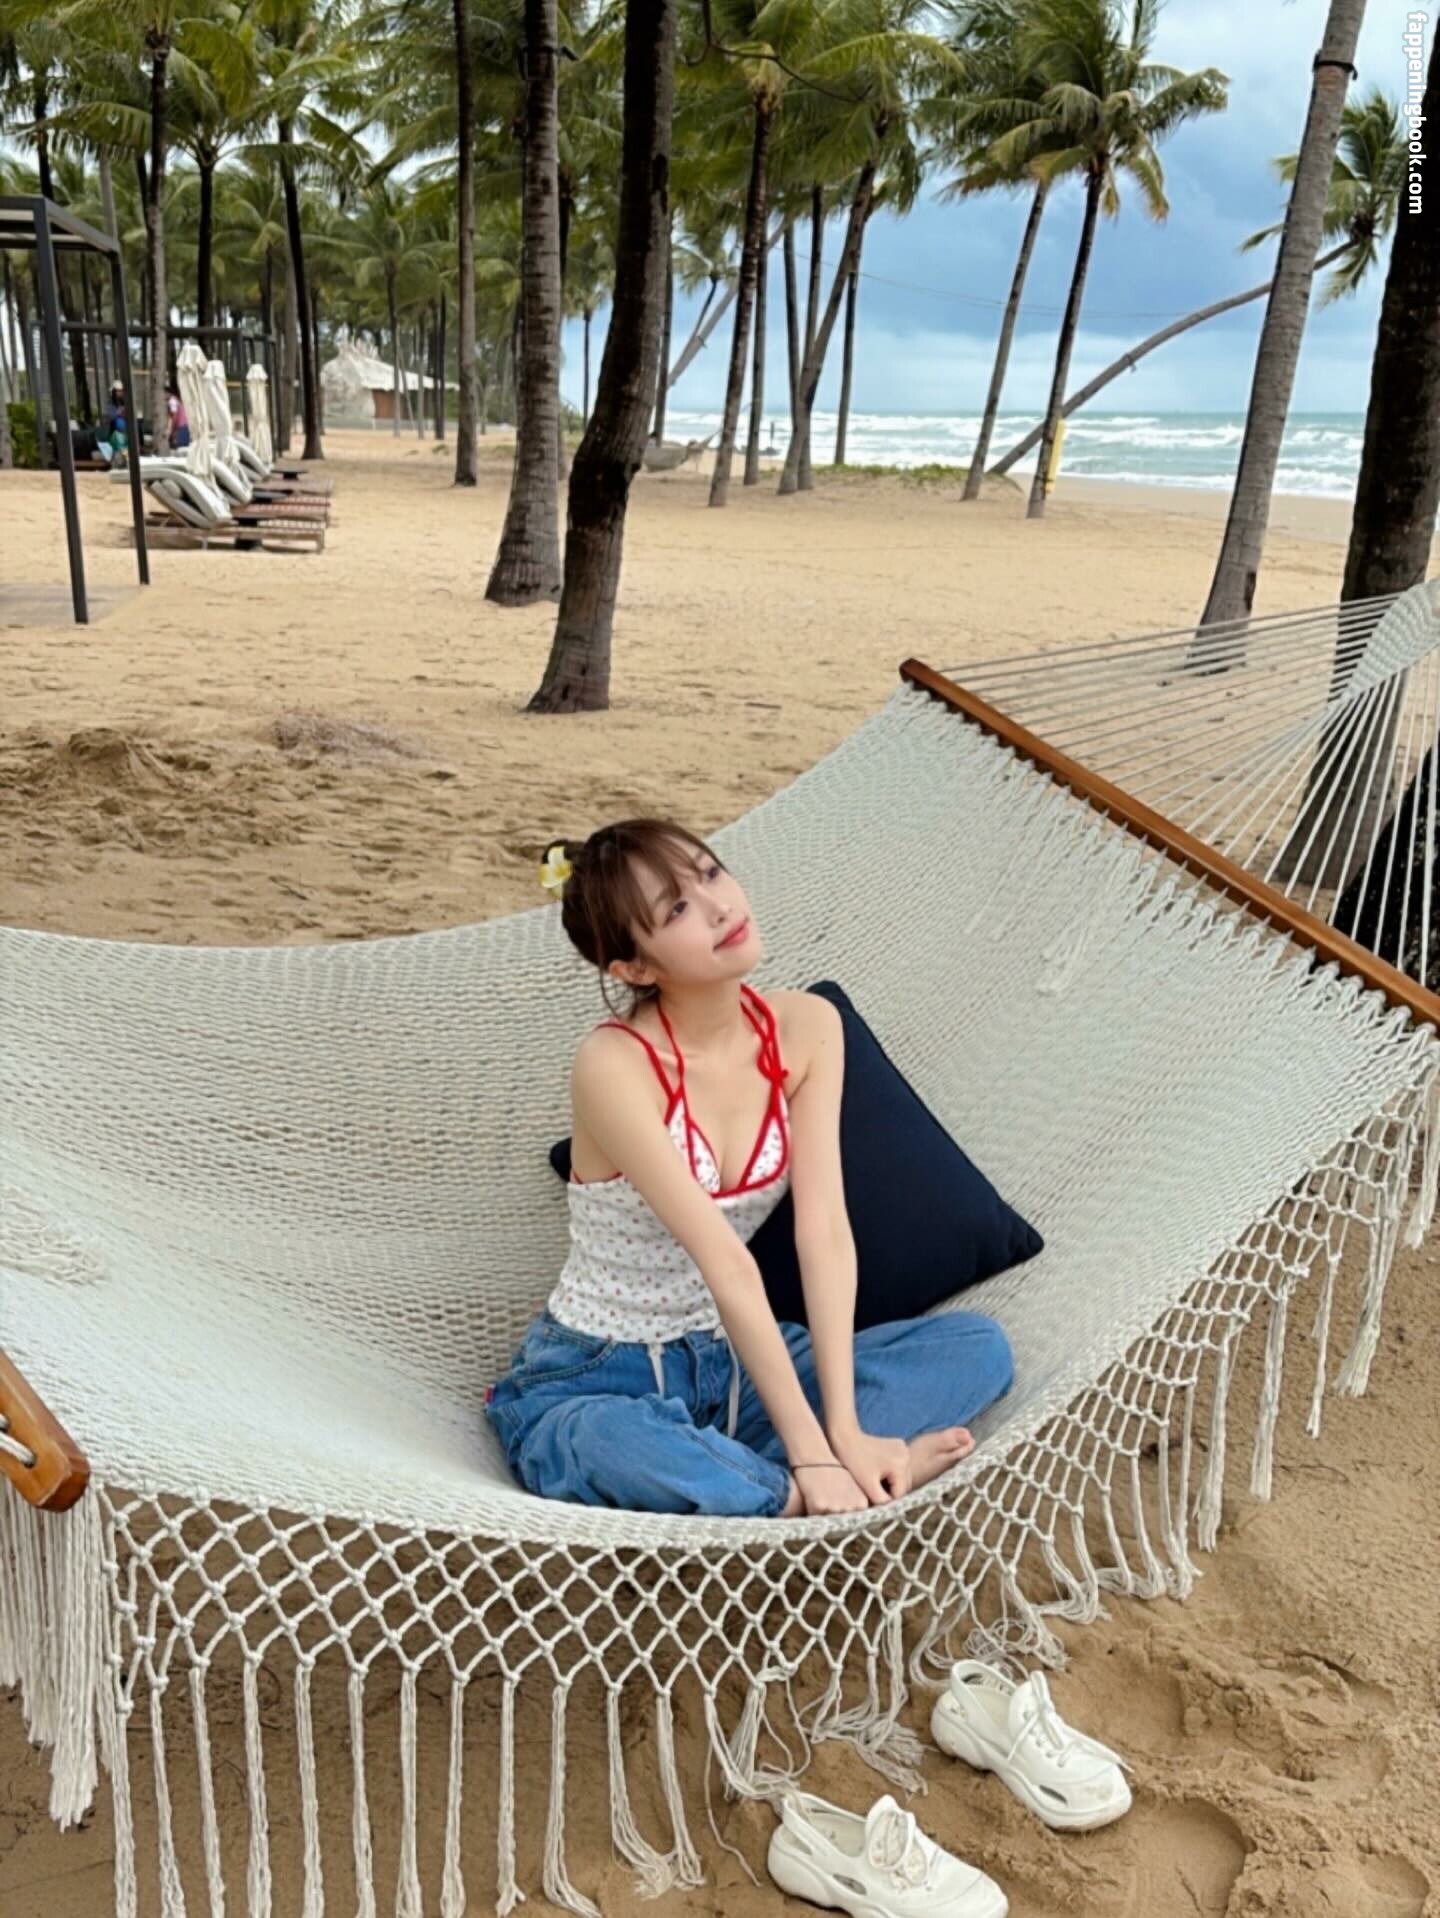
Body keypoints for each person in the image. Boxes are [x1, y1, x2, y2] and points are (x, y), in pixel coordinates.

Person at [485, 819, 1014, 1520]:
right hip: (601, 1375)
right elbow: (725, 1262)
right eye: (677, 908)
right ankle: (796, 1489)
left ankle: (764, 1478)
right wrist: (813, 1457)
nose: (719, 907)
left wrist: (844, 1430)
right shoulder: (613, 1064)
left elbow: (824, 1233)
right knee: (614, 1442)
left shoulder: (807, 1027)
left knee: (978, 1347)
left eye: (710, 873)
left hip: (738, 1362)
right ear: (635, 968)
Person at [166, 382, 190, 450]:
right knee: (184, 446)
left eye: (165, 394)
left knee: (181, 447)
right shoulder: (177, 400)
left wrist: (172, 428)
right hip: (185, 424)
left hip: (180, 426)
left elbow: (174, 415)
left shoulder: (172, 401)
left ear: (168, 393)